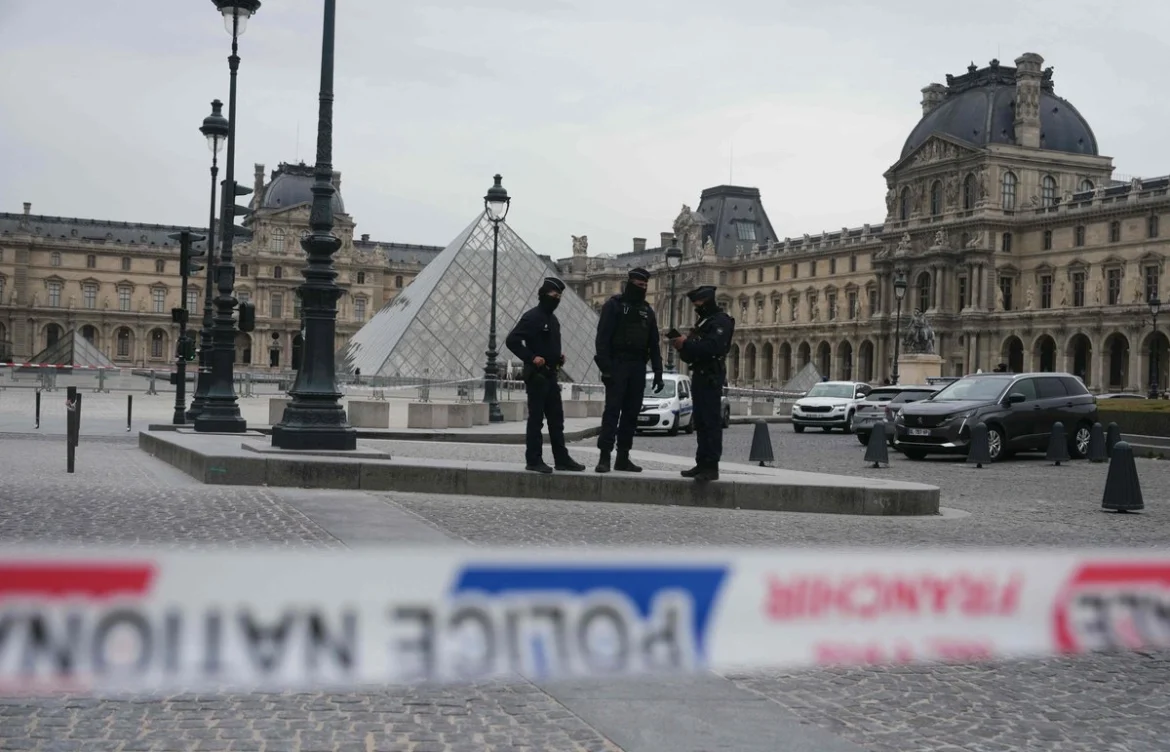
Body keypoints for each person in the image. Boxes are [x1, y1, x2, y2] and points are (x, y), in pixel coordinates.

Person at [504, 277, 586, 474]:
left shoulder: (553, 320)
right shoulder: (532, 317)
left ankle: (561, 459)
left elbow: (549, 345)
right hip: (537, 376)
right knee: (536, 420)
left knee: (556, 420)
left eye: (559, 297)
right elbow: (512, 340)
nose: (557, 299)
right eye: (554, 295)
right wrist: (531, 357)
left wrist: (558, 358)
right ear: (543, 295)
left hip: (551, 375)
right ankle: (533, 459)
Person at [593, 267, 664, 473]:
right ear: (630, 283)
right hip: (618, 364)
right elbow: (602, 340)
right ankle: (604, 456)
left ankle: (623, 456)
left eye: (645, 286)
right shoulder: (613, 306)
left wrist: (658, 372)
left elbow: (654, 343)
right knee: (612, 412)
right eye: (639, 285)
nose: (642, 288)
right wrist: (606, 369)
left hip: (638, 367)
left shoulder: (647, 311)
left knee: (631, 414)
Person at [669, 285, 734, 482]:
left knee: (711, 421)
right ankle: (701, 463)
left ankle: (711, 466)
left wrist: (687, 343)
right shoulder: (703, 322)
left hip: (711, 375)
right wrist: (681, 346)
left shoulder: (721, 321)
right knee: (701, 421)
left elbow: (713, 347)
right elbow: (691, 355)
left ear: (707, 300)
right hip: (699, 374)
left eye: (697, 302)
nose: (695, 306)